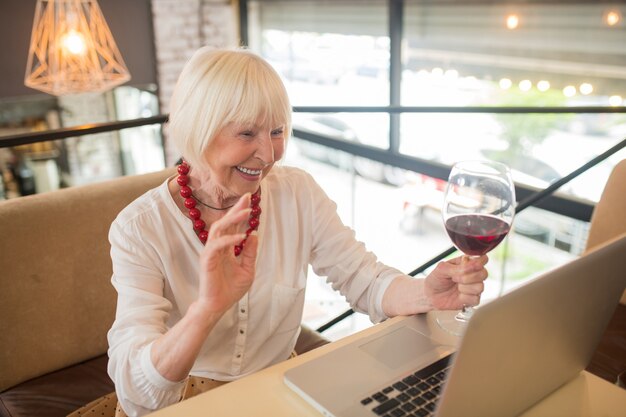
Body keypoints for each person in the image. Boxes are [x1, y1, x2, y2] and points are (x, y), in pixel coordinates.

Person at [104, 47, 488, 416]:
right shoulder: (138, 229)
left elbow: (363, 279)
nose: (270, 154)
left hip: (279, 386)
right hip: (187, 401)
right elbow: (139, 394)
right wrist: (205, 311)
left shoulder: (297, 192)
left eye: (276, 131)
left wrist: (427, 292)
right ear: (199, 129)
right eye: (247, 134)